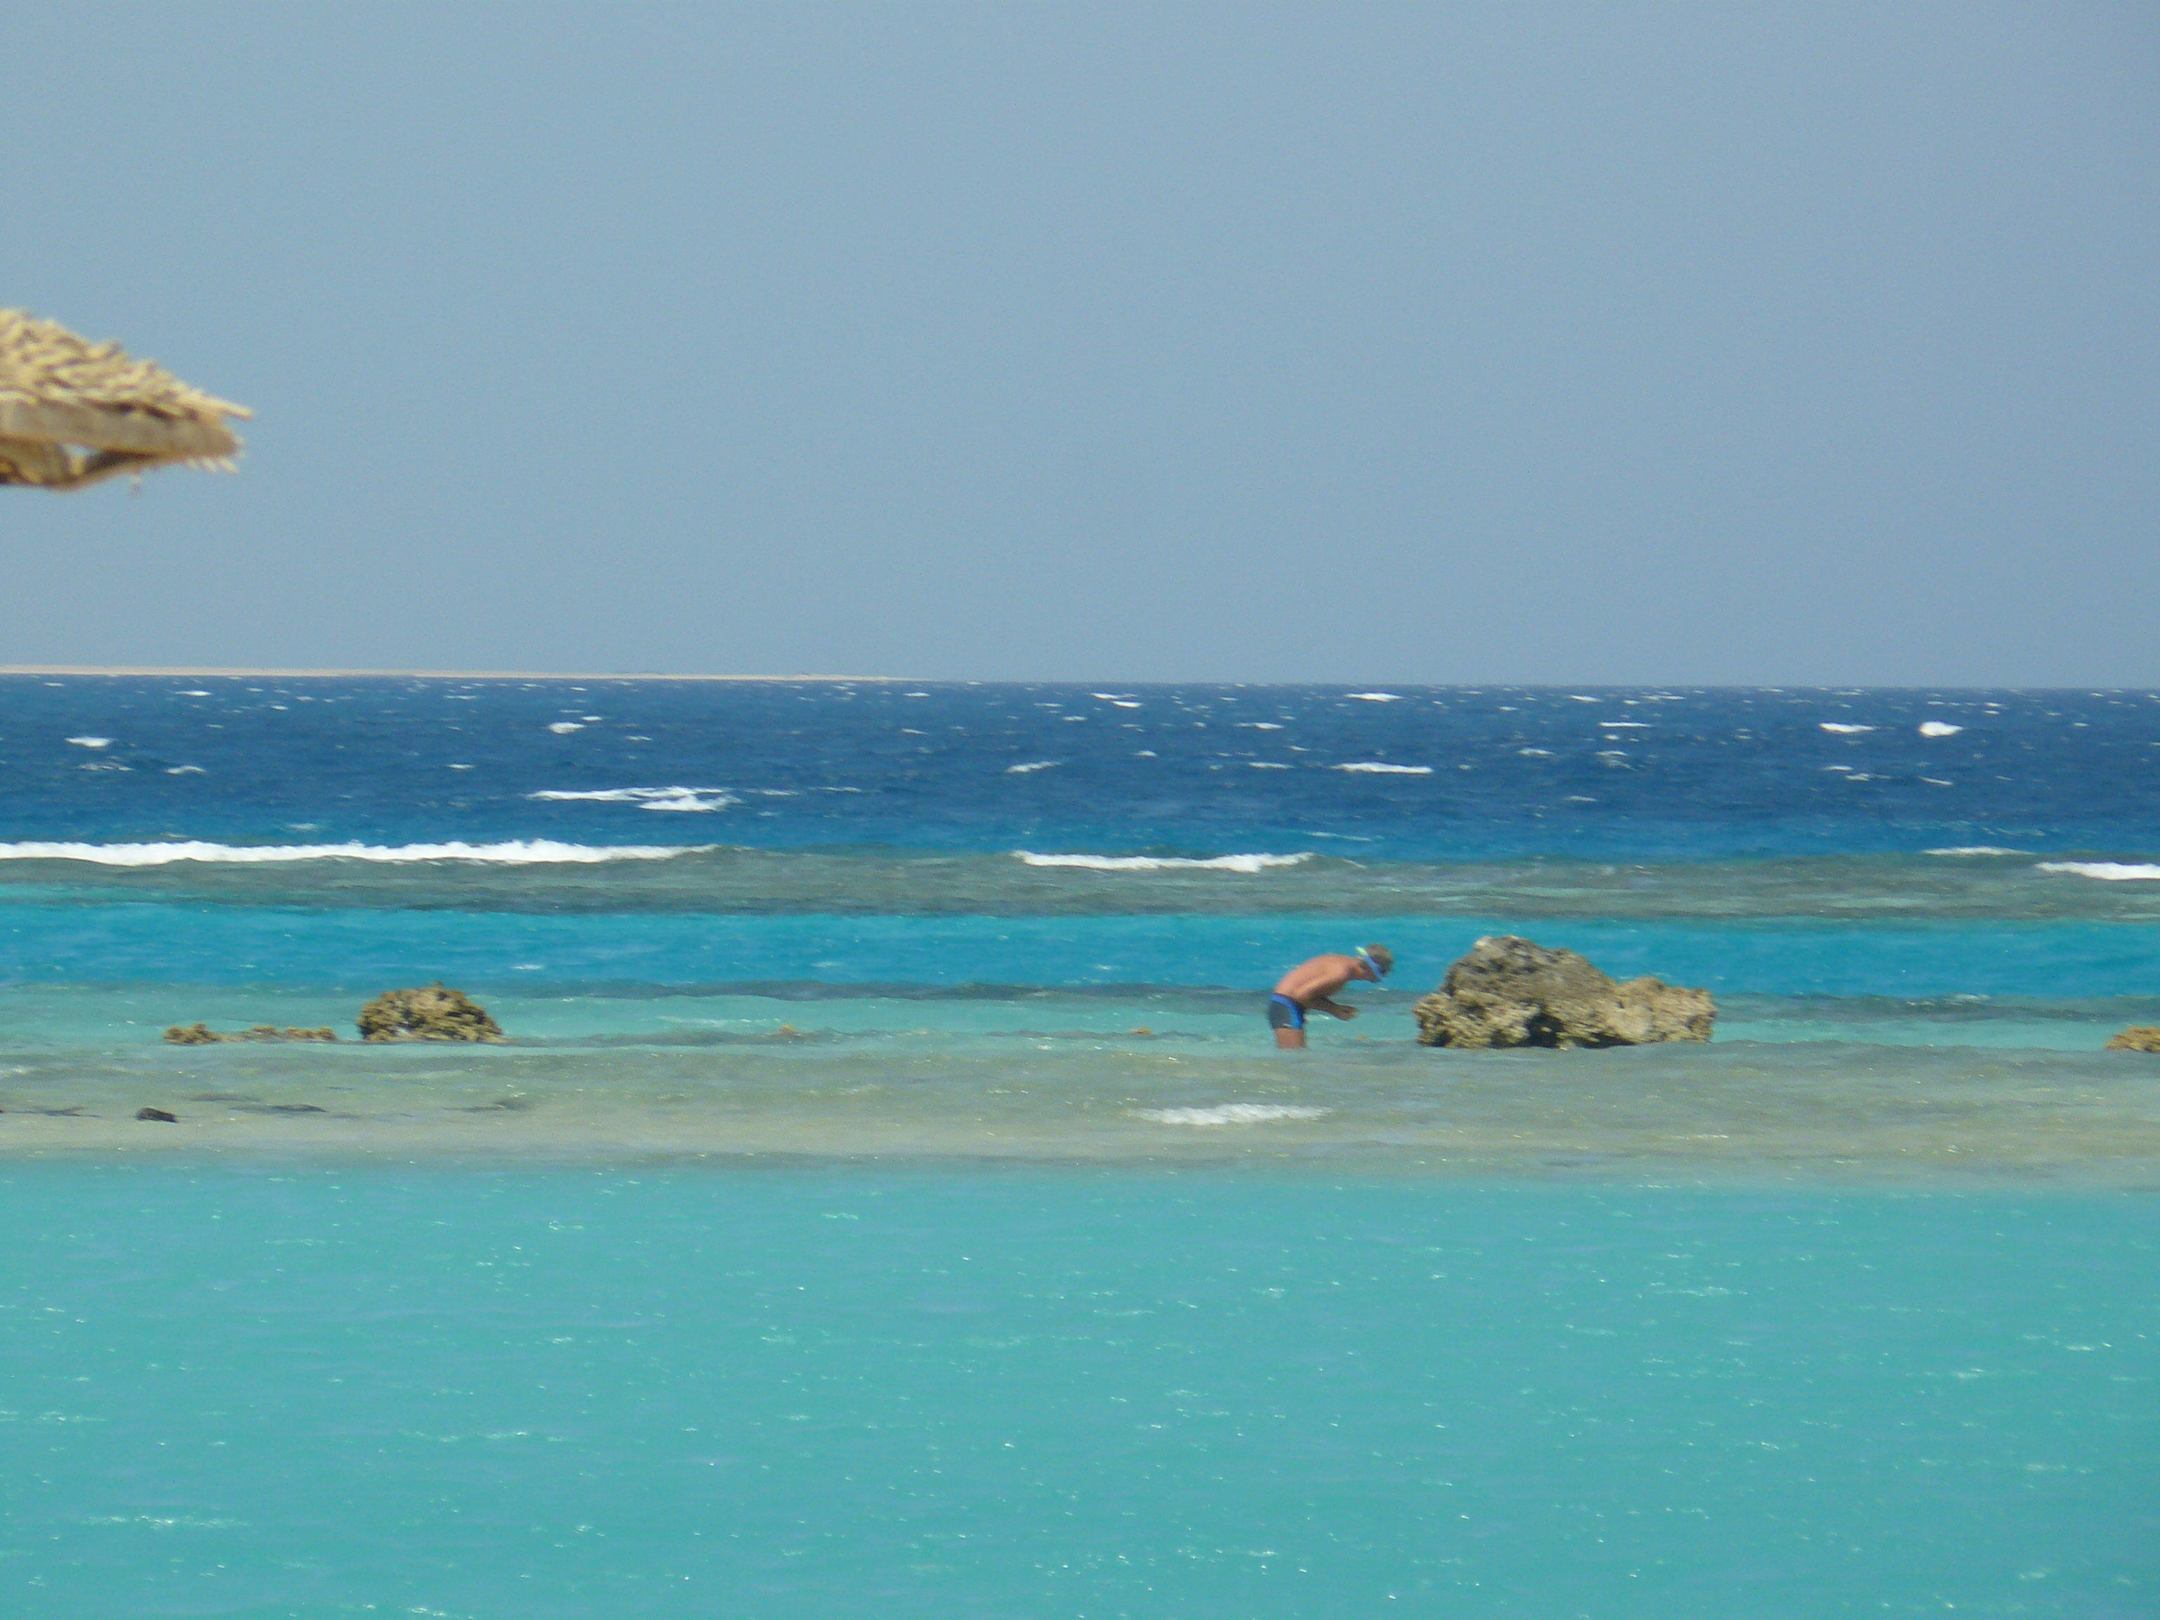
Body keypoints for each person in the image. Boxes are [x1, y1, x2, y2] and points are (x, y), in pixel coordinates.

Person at [1267, 944, 1393, 1049]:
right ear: (1370, 969)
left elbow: (1306, 994)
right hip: (1286, 1005)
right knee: (1295, 1060)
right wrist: (1334, 1009)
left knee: (1296, 1060)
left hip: (1288, 1005)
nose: (1372, 980)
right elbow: (1300, 995)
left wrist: (1334, 1008)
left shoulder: (1342, 963)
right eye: (1377, 976)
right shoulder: (1341, 972)